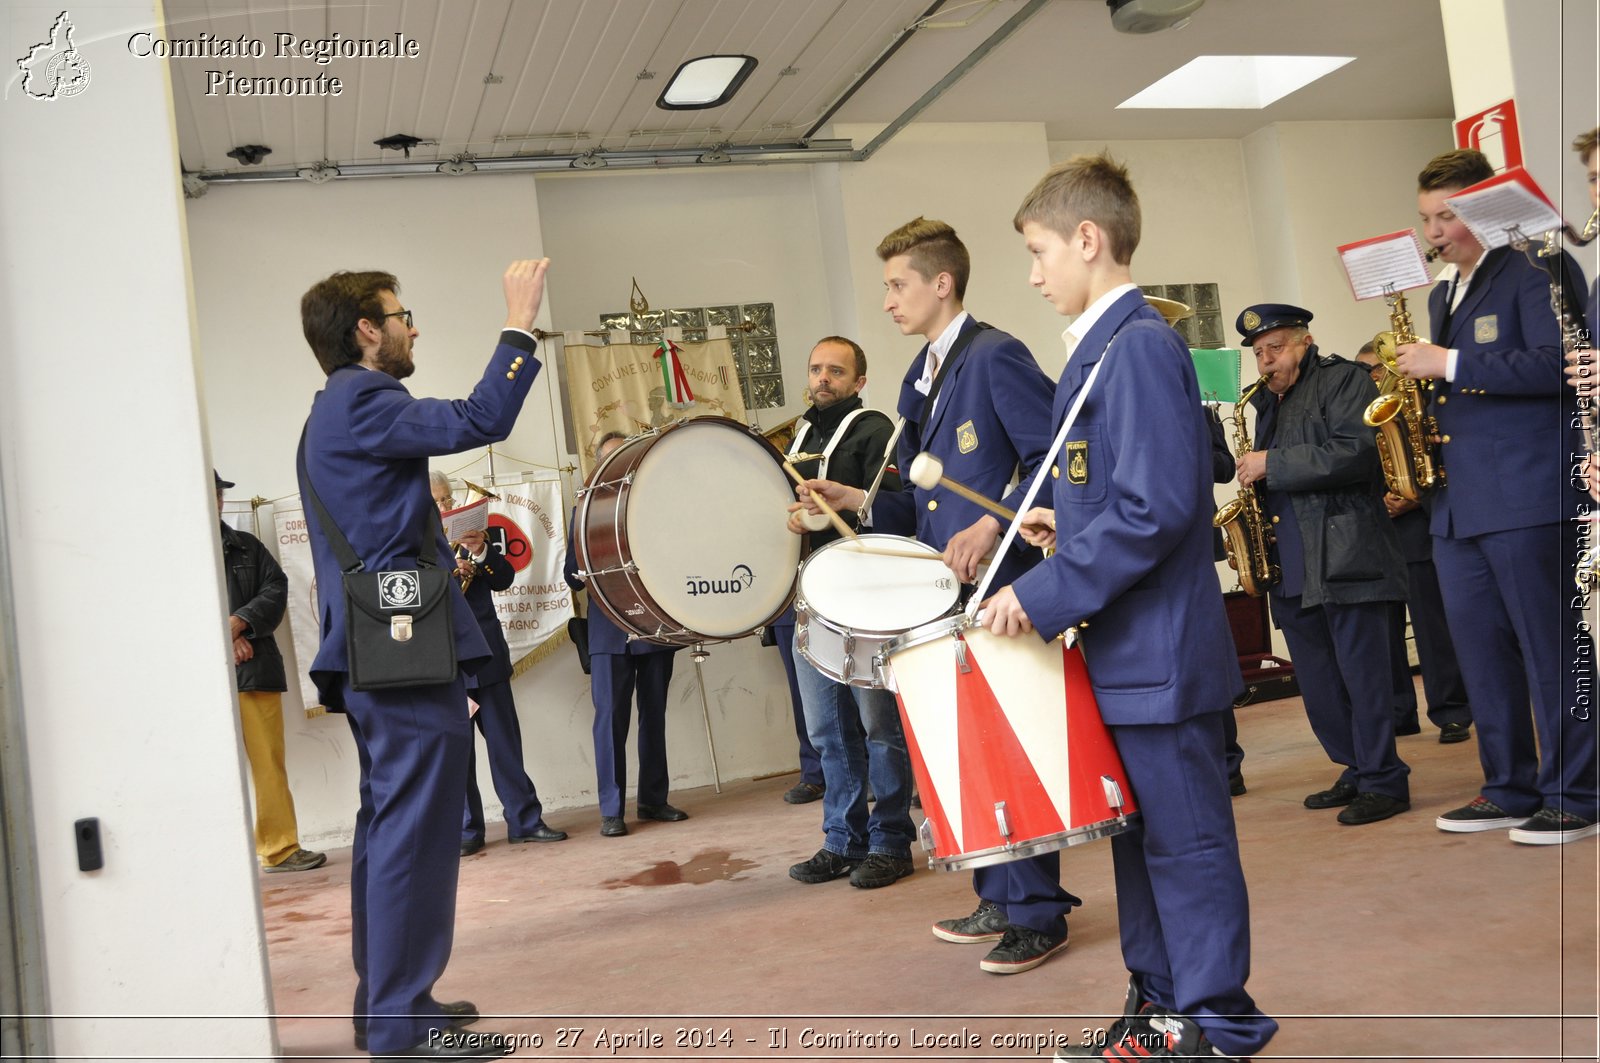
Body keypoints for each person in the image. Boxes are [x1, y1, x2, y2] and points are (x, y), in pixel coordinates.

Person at [981, 154, 1276, 1061]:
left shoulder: (1142, 345)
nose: (1033, 275)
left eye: (1038, 252)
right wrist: (1060, 524)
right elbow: (1123, 494)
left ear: (1086, 239)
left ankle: (1217, 1018)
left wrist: (1042, 594)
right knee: (1138, 844)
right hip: (1126, 653)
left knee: (1185, 846)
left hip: (1162, 654)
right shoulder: (1106, 346)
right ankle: (1158, 1007)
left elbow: (1159, 508)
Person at [801, 218, 1078, 975]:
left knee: (1014, 749)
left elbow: (1051, 462)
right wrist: (853, 501)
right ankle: (998, 890)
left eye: (897, 284)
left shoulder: (995, 356)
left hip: (1002, 587)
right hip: (947, 595)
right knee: (972, 753)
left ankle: (1039, 912)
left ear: (941, 283)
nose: (887, 300)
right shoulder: (920, 374)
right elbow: (914, 502)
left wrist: (994, 521)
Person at [298, 260, 549, 1060]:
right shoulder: (365, 397)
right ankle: (403, 1019)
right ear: (367, 329)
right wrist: (519, 324)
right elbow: (481, 417)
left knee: (389, 826)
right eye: (402, 315)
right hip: (401, 647)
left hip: (384, 645)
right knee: (413, 828)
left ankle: (391, 1005)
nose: (413, 327)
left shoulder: (333, 409)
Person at [1396, 149, 1599, 844]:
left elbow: (1559, 366)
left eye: (1448, 215)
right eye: (1427, 218)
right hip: (1460, 504)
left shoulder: (1540, 266)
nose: (1436, 232)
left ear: (1483, 207)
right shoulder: (1442, 291)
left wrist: (1447, 362)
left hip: (1529, 493)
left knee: (1552, 649)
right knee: (1481, 653)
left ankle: (1576, 792)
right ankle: (1507, 785)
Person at [1231, 305, 1414, 825]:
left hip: (1347, 555)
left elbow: (1359, 452)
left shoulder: (1345, 380)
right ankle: (1357, 767)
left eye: (1277, 347)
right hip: (1291, 564)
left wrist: (1273, 463)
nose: (1267, 361)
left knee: (1365, 677)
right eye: (1260, 353)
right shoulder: (1268, 401)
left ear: (1305, 342)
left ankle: (1385, 780)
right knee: (1319, 684)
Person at [783, 336, 917, 890]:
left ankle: (890, 841)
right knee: (827, 730)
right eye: (816, 369)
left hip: (866, 598)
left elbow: (896, 511)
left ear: (859, 381)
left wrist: (846, 497)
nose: (822, 379)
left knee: (879, 726)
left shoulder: (875, 430)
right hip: (812, 598)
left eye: (835, 372)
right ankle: (841, 839)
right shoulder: (798, 436)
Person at [428, 472, 567, 857]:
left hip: (485, 657)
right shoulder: (412, 544)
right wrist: (451, 577)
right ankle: (467, 830)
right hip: (445, 664)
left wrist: (482, 554)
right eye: (437, 501)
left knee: (506, 744)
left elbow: (504, 578)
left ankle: (525, 821)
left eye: (447, 499)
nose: (446, 506)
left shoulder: (470, 538)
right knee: (458, 754)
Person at [563, 433, 686, 837]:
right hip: (607, 633)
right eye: (610, 458)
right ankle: (611, 811)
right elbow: (571, 577)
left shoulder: (660, 506)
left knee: (654, 716)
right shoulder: (584, 508)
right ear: (598, 465)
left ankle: (653, 800)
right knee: (610, 721)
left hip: (654, 628)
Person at [1353, 344, 1472, 743]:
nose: (1370, 378)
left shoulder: (1413, 404)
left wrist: (1412, 497)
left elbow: (1435, 462)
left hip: (1415, 528)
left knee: (1431, 627)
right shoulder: (1356, 411)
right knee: (1383, 634)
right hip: (1374, 532)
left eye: (1375, 369)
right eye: (1364, 371)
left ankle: (1451, 711)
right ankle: (1399, 713)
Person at [217, 469, 326, 874]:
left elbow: (276, 589)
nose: (215, 500)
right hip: (202, 678)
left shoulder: (246, 546)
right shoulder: (171, 550)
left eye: (217, 493)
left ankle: (278, 849)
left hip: (253, 670)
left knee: (268, 763)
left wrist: (241, 621)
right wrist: (223, 637)